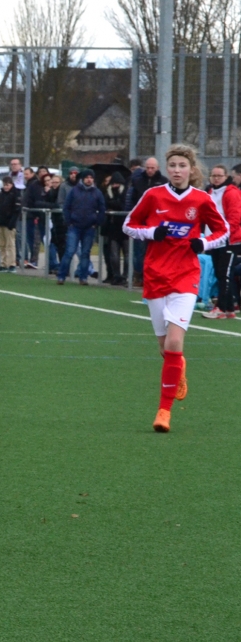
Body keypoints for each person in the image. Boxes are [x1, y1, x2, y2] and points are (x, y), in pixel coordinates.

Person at [123, 144, 228, 433]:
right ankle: (177, 366)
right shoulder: (153, 195)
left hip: (185, 276)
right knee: (164, 347)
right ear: (167, 169)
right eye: (173, 166)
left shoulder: (202, 199)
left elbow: (224, 231)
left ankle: (164, 411)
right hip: (156, 275)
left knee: (174, 342)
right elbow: (128, 225)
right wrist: (150, 232)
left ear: (191, 170)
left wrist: (203, 243)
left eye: (182, 165)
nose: (177, 170)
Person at [202, 164, 241, 319]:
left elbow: (235, 217)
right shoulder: (210, 192)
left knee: (225, 273)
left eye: (219, 176)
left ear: (226, 177)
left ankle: (220, 308)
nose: (216, 179)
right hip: (215, 240)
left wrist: (225, 234)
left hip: (229, 240)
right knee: (220, 273)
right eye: (214, 176)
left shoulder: (231, 193)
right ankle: (229, 308)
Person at [57, 169, 106, 285]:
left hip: (89, 227)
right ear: (83, 179)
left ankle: (83, 278)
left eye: (91, 177)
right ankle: (61, 276)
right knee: (69, 252)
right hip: (74, 226)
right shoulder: (74, 191)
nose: (89, 180)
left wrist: (96, 223)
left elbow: (102, 208)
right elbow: (66, 207)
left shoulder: (97, 193)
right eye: (87, 177)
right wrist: (69, 221)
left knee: (85, 253)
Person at [125, 157, 168, 287]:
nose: (149, 170)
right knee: (139, 250)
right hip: (141, 221)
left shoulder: (164, 182)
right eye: (148, 168)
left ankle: (152, 276)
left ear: (157, 168)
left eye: (152, 168)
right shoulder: (138, 181)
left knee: (155, 250)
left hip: (156, 221)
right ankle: (139, 275)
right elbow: (132, 199)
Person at [103, 171, 129, 285]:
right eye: (113, 183)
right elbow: (106, 204)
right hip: (113, 227)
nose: (115, 185)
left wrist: (112, 204)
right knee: (114, 254)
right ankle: (116, 276)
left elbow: (123, 205)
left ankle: (125, 276)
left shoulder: (126, 192)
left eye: (117, 183)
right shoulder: (108, 193)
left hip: (125, 227)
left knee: (127, 254)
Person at [0, 176, 21, 272]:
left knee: (10, 244)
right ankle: (3, 264)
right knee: (1, 245)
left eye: (7, 185)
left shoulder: (16, 194)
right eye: (4, 185)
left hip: (9, 224)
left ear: (12, 184)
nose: (6, 187)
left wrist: (12, 223)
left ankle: (12, 264)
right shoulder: (0, 195)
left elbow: (16, 210)